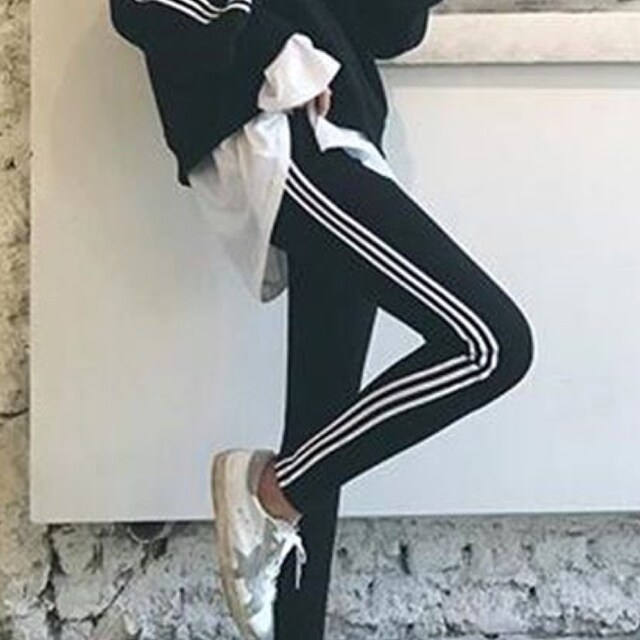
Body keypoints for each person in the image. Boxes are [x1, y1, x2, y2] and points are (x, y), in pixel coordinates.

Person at [109, 0, 536, 638]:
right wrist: (277, 49)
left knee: (324, 427)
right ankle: (269, 490)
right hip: (281, 135)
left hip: (346, 139)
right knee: (490, 345)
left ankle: (288, 531)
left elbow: (391, 29)